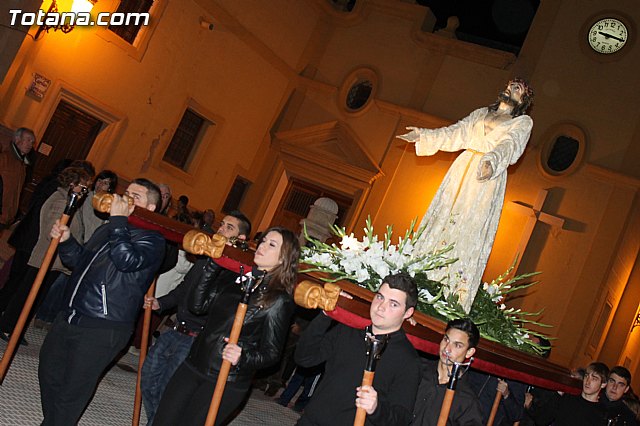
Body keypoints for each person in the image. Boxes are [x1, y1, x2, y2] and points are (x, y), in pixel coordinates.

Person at [397, 79, 534, 312]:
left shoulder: (522, 122)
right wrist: (424, 136)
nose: (511, 89)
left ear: (524, 101)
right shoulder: (481, 113)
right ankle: (418, 275)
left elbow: (510, 145)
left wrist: (492, 161)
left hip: (486, 177)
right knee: (443, 218)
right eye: (511, 85)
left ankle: (451, 294)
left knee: (468, 228)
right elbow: (456, 132)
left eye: (518, 89)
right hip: (462, 170)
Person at [38, 178, 165, 426]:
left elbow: (125, 261)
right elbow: (79, 262)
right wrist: (67, 241)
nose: (125, 199)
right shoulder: (107, 228)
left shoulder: (153, 240)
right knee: (49, 371)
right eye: (126, 193)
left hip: (103, 325)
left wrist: (118, 221)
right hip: (72, 313)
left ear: (150, 208)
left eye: (135, 197)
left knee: (72, 390)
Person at [153, 226, 300, 426]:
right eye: (263, 240)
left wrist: (243, 356)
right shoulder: (238, 278)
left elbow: (271, 352)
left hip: (225, 378)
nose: (262, 246)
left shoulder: (277, 300)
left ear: (284, 258)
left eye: (271, 244)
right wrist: (214, 264)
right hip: (194, 362)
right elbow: (197, 306)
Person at [140, 212, 251, 424]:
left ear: (241, 239)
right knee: (148, 378)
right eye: (222, 225)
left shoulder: (235, 274)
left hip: (196, 339)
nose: (221, 230)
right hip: (175, 330)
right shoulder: (207, 258)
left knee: (168, 390)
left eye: (229, 228)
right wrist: (161, 303)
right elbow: (185, 289)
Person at [295, 273, 421, 425]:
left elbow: (401, 418)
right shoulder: (349, 329)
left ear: (408, 313)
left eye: (393, 304)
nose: (381, 307)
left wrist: (376, 408)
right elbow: (305, 358)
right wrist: (327, 313)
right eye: (380, 297)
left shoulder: (408, 360)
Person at [0, 166, 93, 344]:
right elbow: (54, 229)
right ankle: (7, 325)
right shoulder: (60, 200)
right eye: (83, 187)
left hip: (55, 260)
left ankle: (15, 328)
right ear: (72, 184)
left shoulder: (70, 200)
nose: (84, 192)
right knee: (27, 294)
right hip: (46, 257)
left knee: (35, 297)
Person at [412, 318, 483, 426]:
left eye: (457, 345)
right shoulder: (417, 369)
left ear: (469, 352)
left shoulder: (467, 400)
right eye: (446, 339)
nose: (447, 349)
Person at [527, 362, 609, 426]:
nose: (588, 381)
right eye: (587, 376)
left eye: (594, 379)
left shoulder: (601, 413)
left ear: (603, 384)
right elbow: (542, 420)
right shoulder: (567, 398)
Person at [0, 127, 35, 227]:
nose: (30, 144)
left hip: (6, 215)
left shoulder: (22, 165)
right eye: (28, 140)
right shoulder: (4, 158)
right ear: (17, 139)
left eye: (32, 142)